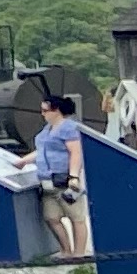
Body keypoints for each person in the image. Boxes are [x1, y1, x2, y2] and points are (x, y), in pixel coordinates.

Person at [29, 88, 90, 255]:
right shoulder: (45, 131)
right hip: (47, 181)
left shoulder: (68, 128)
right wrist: (22, 161)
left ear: (56, 110)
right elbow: (41, 151)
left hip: (65, 179)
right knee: (51, 217)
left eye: (45, 110)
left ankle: (79, 254)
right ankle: (66, 249)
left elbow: (75, 152)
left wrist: (74, 176)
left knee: (76, 217)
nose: (42, 114)